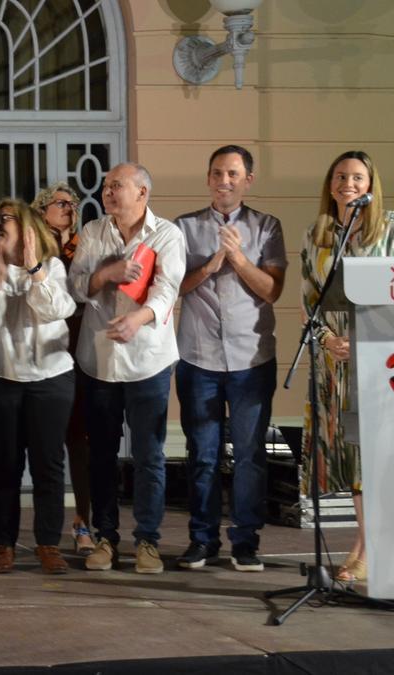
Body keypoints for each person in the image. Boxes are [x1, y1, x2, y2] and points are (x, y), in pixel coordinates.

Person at [68, 162, 186, 574]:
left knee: (149, 454)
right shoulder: (94, 232)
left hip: (148, 360)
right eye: (105, 187)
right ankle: (104, 538)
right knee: (100, 455)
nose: (108, 192)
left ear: (142, 193)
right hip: (99, 359)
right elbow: (75, 286)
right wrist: (106, 273)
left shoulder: (167, 234)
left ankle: (148, 542)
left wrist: (139, 318)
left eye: (117, 185)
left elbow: (168, 287)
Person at [174, 145, 286, 573]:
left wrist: (237, 259)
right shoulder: (183, 228)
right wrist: (211, 264)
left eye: (233, 174)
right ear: (208, 178)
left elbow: (271, 290)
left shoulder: (266, 227)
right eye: (218, 173)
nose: (225, 181)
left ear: (248, 180)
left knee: (250, 455)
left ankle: (245, 541)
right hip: (198, 356)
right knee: (202, 453)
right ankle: (202, 540)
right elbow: (173, 287)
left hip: (251, 358)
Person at [300, 150, 394, 584]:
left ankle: (368, 547)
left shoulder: (392, 227)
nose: (348, 183)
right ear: (330, 185)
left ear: (371, 186)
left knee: (372, 456)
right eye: (341, 176)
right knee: (351, 454)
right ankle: (366, 543)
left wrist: (364, 342)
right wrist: (328, 341)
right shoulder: (318, 234)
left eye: (358, 177)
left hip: (380, 357)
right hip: (335, 360)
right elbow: (310, 296)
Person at [0, 198, 77, 574]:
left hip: (50, 379)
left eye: (7, 219)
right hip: (0, 378)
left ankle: (48, 544)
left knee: (48, 465)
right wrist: (1, 274)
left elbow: (54, 309)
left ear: (29, 229)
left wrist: (33, 269)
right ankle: (4, 545)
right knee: (4, 466)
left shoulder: (52, 268)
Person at [32, 181, 95, 556]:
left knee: (81, 444)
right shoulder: (34, 250)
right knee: (43, 444)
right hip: (42, 355)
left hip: (83, 351)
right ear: (42, 212)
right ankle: (44, 531)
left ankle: (83, 521)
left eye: (72, 202)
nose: (69, 207)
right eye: (59, 202)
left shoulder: (86, 247)